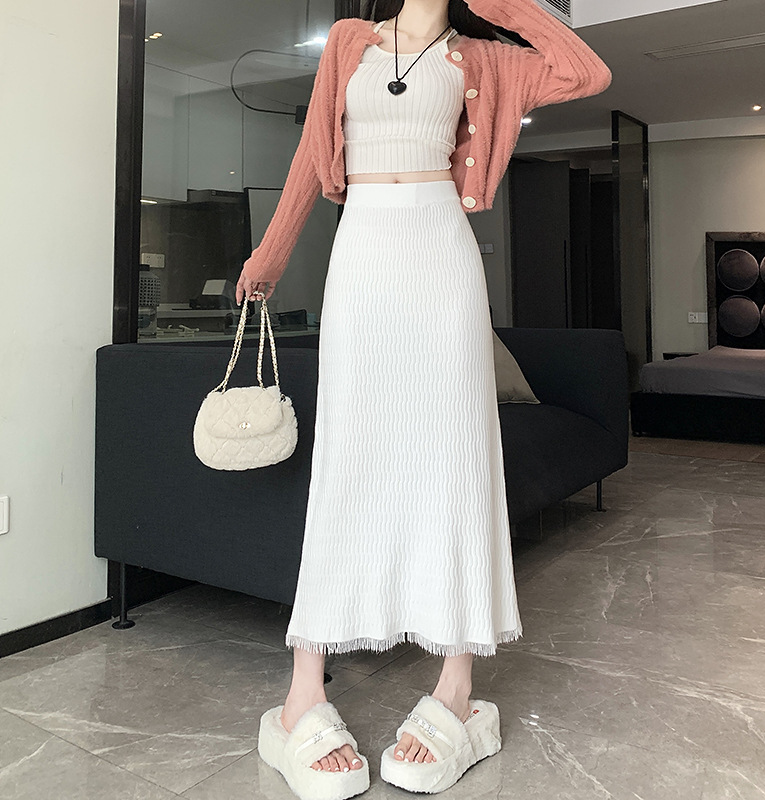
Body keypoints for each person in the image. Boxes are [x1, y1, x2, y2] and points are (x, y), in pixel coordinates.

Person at [237, 1, 611, 797]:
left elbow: (586, 72)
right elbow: (312, 152)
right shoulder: (350, 42)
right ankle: (301, 694)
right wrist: (271, 253)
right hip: (363, 253)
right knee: (349, 459)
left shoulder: (484, 55)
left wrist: (504, 6)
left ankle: (456, 690)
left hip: (442, 253)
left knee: (456, 457)